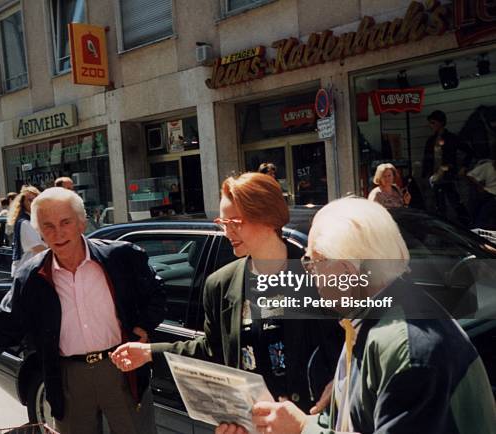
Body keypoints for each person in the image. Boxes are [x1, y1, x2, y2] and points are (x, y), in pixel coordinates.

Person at [219, 197, 495, 434]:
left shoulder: (407, 347)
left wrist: (303, 428)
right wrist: (300, 424)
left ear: (348, 273)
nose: (309, 273)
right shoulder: (368, 321)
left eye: (314, 262)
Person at [0, 187, 166, 434]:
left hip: (121, 370)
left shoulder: (119, 257)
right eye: (48, 226)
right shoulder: (31, 276)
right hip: (67, 379)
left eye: (65, 222)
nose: (58, 233)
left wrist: (144, 326)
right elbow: (3, 326)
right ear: (39, 232)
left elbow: (156, 293)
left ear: (82, 223)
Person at [111, 172, 342, 414]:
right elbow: (212, 350)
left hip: (313, 419)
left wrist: (339, 383)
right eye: (223, 223)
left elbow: (353, 340)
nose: (227, 232)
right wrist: (150, 352)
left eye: (235, 223)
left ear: (269, 218)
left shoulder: (319, 276)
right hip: (254, 423)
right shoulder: (220, 285)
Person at [422, 110, 472, 224]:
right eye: (430, 123)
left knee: (455, 201)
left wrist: (464, 167)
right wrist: (425, 176)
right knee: (439, 205)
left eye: (433, 123)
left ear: (440, 123)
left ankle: (466, 224)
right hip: (435, 177)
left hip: (449, 175)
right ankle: (444, 227)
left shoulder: (451, 138)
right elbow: (427, 159)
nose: (431, 126)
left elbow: (469, 151)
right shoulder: (430, 140)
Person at [7, 185, 46, 277]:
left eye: (35, 200)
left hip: (32, 271)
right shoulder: (24, 223)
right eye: (29, 200)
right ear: (23, 203)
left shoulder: (35, 220)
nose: (33, 203)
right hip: (25, 273)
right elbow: (38, 248)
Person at [467, 159, 496, 229]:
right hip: (488, 195)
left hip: (490, 196)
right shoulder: (488, 166)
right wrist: (479, 187)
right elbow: (470, 175)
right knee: (480, 217)